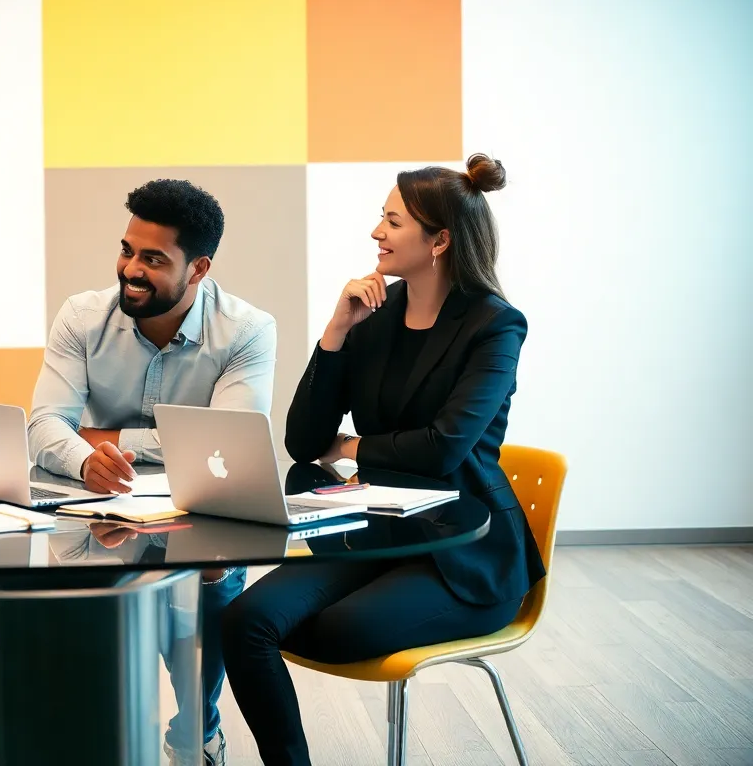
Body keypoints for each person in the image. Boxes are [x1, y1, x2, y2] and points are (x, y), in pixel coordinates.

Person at [220, 155, 547, 766]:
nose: (377, 233)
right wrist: (335, 331)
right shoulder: (375, 315)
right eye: (381, 219)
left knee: (344, 629)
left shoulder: (496, 326)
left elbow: (446, 445)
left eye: (393, 222)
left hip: (465, 553)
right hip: (376, 532)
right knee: (245, 621)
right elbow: (301, 439)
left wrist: (350, 448)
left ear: (440, 240)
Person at [27, 179, 277, 766]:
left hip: (197, 518)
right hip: (99, 515)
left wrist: (108, 440)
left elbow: (228, 449)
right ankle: (105, 730)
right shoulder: (81, 317)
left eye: (154, 259)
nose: (131, 270)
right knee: (87, 627)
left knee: (211, 578)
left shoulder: (245, 330)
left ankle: (197, 732)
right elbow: (42, 427)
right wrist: (85, 457)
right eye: (127, 250)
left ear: (199, 269)